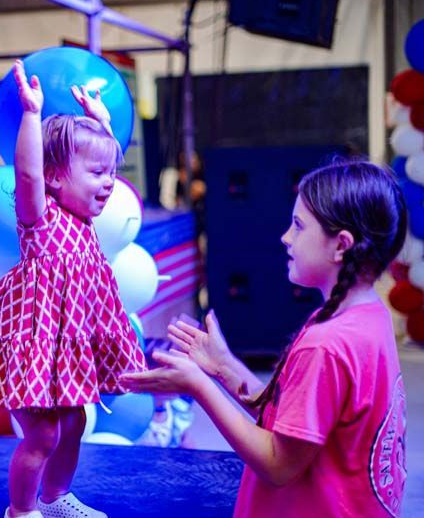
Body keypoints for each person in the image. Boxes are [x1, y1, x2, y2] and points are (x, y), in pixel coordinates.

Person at [122, 159, 408, 517]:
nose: (286, 237)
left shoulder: (327, 344)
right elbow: (293, 421)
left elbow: (277, 464)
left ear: (341, 246)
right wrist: (225, 367)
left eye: (299, 226)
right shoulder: (368, 316)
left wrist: (199, 386)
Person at [0, 60, 147, 518]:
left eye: (110, 173)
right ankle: (21, 512)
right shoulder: (41, 220)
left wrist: (103, 125)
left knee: (73, 422)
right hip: (30, 344)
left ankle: (56, 500)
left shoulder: (84, 223)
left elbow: (105, 160)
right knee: (41, 436)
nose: (109, 182)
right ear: (58, 177)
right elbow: (29, 174)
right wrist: (32, 115)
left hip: (66, 346)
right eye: (96, 174)